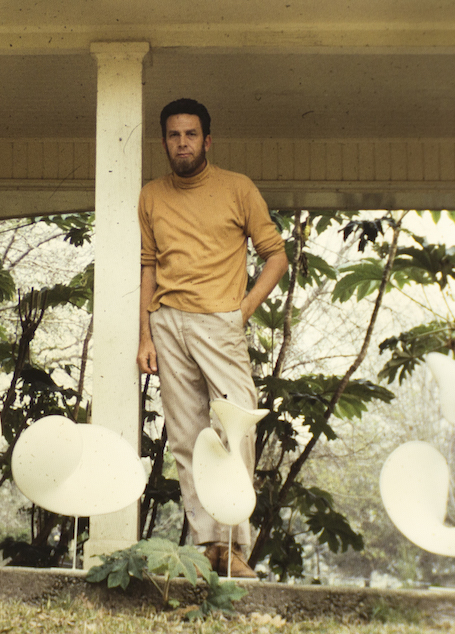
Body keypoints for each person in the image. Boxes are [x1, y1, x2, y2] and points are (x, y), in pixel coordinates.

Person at [136, 98, 289, 578]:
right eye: (174, 135)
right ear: (165, 141)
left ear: (207, 139)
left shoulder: (237, 188)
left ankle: (235, 545)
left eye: (191, 134)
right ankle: (209, 546)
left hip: (218, 324)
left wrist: (241, 312)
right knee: (185, 438)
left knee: (235, 428)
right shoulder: (151, 195)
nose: (183, 143)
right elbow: (147, 265)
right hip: (166, 322)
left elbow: (276, 256)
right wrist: (145, 335)